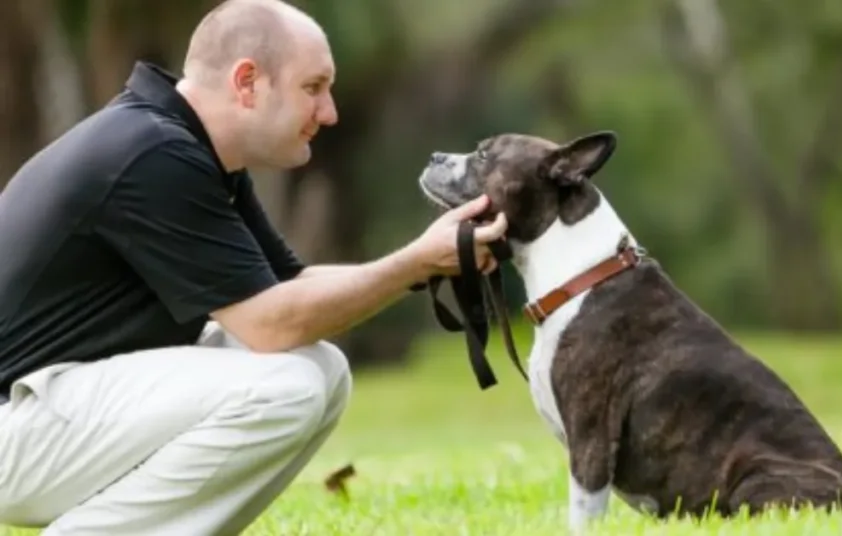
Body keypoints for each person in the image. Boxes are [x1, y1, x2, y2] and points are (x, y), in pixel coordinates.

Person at [0, 0, 507, 534]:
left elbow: (290, 288)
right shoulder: (152, 154)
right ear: (247, 82)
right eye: (313, 88)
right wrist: (414, 262)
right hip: (16, 429)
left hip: (46, 415)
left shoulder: (189, 145)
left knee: (322, 370)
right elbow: (270, 324)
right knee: (287, 386)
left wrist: (427, 261)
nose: (330, 112)